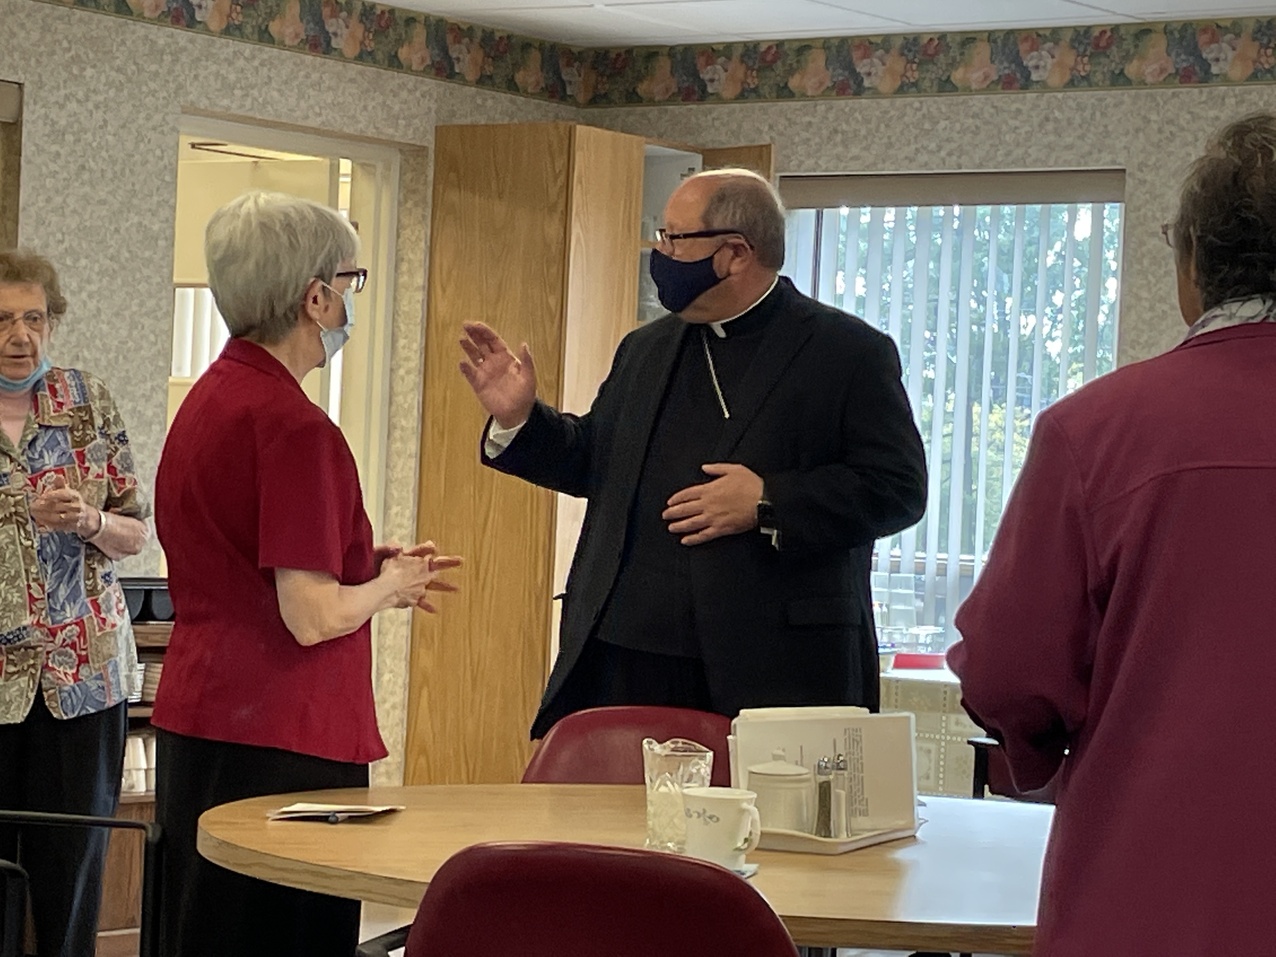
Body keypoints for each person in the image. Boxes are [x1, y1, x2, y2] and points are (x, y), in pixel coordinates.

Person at [947, 111, 1276, 956]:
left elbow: (1010, 673)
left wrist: (1040, 754)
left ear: (1192, 260)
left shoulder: (1097, 431)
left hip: (1152, 891)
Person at [460, 168, 926, 738]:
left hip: (771, 664)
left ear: (734, 252)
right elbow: (595, 463)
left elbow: (898, 488)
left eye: (673, 239)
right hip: (624, 654)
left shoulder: (847, 352)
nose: (660, 253)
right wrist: (521, 419)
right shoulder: (647, 348)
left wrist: (768, 499)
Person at [152, 192, 461, 957]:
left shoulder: (210, 399)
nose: (350, 301)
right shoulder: (295, 426)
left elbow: (240, 559)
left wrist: (366, 561)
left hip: (206, 716)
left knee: (207, 925)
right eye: (348, 282)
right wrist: (390, 586)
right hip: (284, 731)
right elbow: (312, 614)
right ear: (314, 297)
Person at [0, 249, 150, 957]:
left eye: (33, 317)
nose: (19, 334)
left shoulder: (88, 402)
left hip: (84, 680)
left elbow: (136, 531)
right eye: (2, 319)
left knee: (71, 876)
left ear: (52, 323)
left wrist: (89, 522)